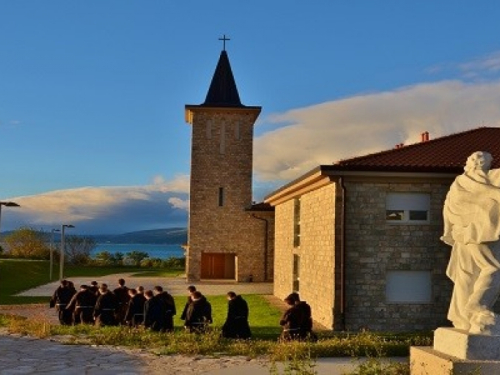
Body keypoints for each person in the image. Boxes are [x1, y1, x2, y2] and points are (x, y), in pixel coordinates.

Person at [441, 151, 500, 334]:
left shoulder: (458, 183)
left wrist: (452, 230)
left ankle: (462, 320)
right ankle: (476, 305)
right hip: (481, 234)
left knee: (467, 276)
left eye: (481, 160)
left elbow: (447, 211)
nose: (479, 163)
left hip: (462, 235)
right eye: (477, 160)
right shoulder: (476, 181)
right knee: (493, 269)